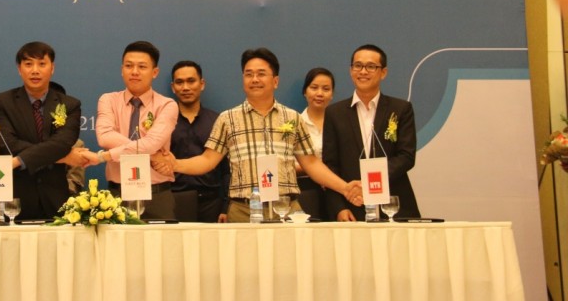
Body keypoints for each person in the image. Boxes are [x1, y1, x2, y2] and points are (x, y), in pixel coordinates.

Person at [153, 48, 361, 222]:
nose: (254, 79)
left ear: (275, 81)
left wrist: (345, 188)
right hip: (243, 211)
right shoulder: (227, 118)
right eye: (248, 74)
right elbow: (207, 160)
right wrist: (175, 164)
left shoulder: (292, 118)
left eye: (261, 74)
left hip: (286, 210)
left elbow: (312, 164)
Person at [0, 41, 96, 220]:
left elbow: (62, 143)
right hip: (15, 199)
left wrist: (20, 160)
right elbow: (8, 144)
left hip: (56, 200)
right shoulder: (2, 102)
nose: (35, 70)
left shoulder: (70, 104)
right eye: (28, 64)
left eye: (42, 64)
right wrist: (63, 158)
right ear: (19, 69)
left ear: (52, 68)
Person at [322, 44, 420, 221]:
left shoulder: (400, 109)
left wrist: (369, 181)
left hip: (393, 204)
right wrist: (338, 207)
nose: (363, 71)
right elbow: (330, 165)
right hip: (352, 204)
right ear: (351, 70)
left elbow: (406, 156)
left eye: (371, 66)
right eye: (358, 66)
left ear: (383, 72)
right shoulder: (334, 113)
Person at [95, 41, 179, 220]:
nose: (134, 71)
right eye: (128, 66)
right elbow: (104, 137)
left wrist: (107, 155)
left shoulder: (167, 105)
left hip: (157, 196)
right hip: (117, 196)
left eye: (142, 66)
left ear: (155, 72)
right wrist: (151, 154)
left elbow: (152, 143)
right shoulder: (108, 100)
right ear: (122, 69)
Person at [169, 61, 228, 223]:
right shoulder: (163, 123)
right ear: (173, 87)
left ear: (202, 84)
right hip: (173, 201)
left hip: (211, 203)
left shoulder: (218, 121)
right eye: (179, 82)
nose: (185, 87)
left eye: (191, 81)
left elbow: (227, 169)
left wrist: (225, 206)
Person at [295, 67, 334, 219]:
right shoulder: (293, 124)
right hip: (305, 191)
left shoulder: (340, 123)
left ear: (332, 94)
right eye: (314, 87)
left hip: (335, 190)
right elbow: (286, 166)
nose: (319, 93)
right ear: (305, 92)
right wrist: (315, 169)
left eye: (326, 89)